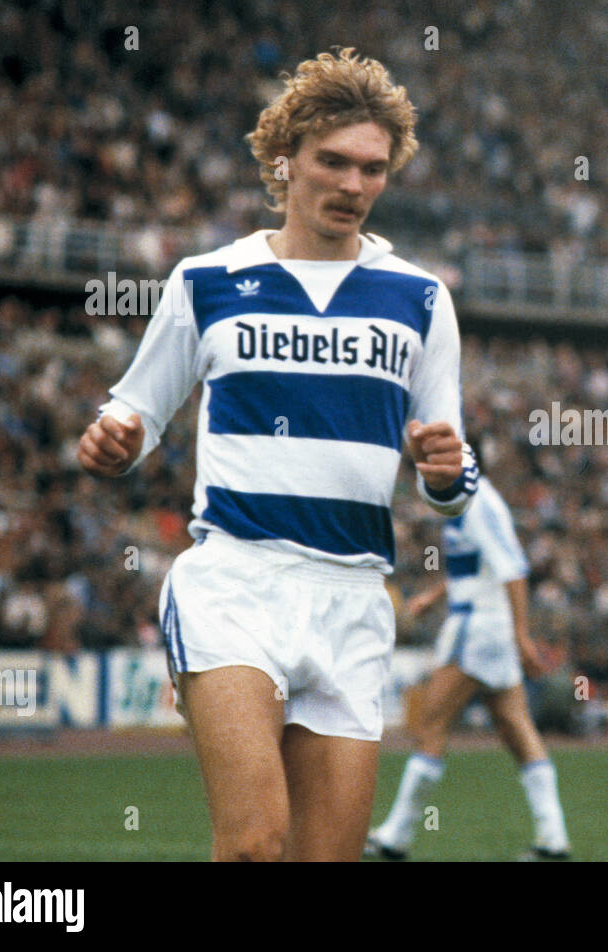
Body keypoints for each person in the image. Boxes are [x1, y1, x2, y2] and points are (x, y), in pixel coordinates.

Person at [77, 49, 478, 861]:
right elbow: (133, 414)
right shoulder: (208, 281)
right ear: (284, 158)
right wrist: (110, 439)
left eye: (372, 168)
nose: (353, 185)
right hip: (236, 583)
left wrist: (445, 476)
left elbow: (455, 475)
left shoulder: (420, 299)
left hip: (354, 596)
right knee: (257, 843)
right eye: (332, 161)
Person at [366, 465, 570, 860]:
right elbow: (482, 564)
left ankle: (397, 835)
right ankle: (553, 835)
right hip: (483, 622)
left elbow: (513, 568)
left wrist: (522, 634)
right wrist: (435, 594)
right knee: (515, 726)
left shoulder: (478, 503)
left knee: (431, 722)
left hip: (477, 627)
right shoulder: (467, 501)